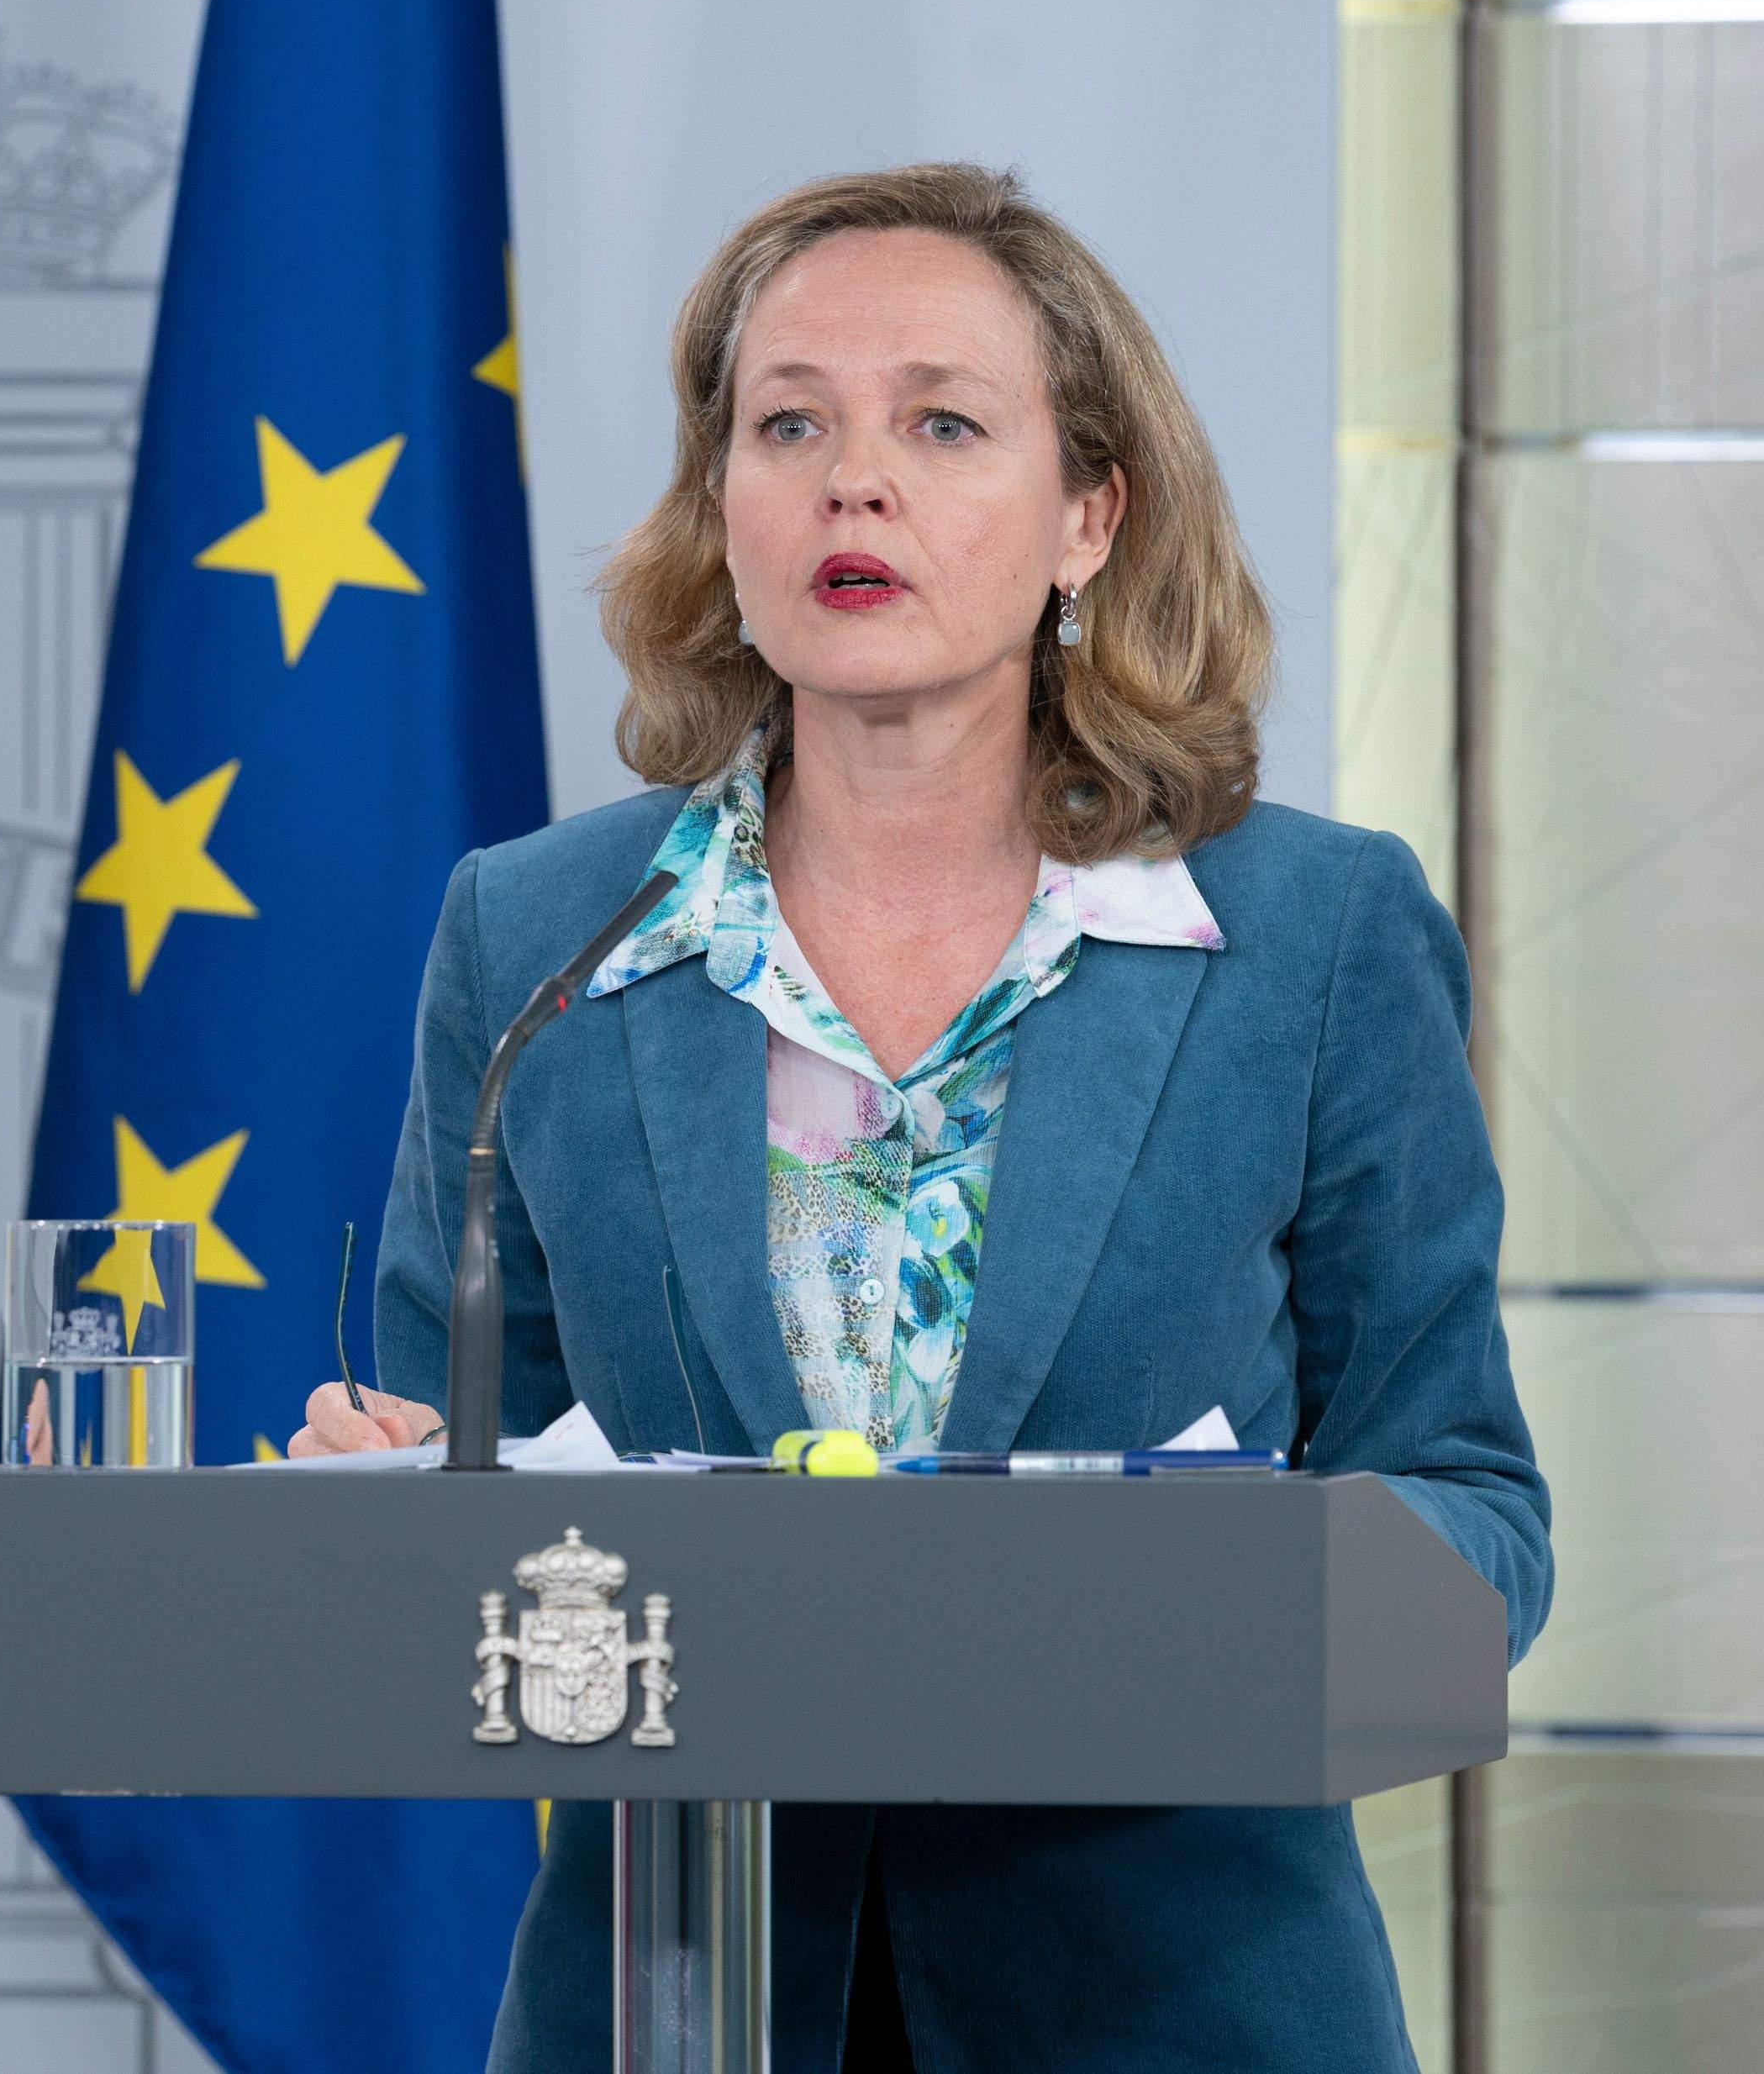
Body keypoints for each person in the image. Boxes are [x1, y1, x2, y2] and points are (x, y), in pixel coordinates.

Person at [291, 163, 1548, 2072]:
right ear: (723, 506)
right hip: (674, 2004)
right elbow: (465, 1469)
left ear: (1087, 514)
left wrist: (1234, 1617)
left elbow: (1473, 1507)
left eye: (941, 422)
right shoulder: (538, 932)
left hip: (1182, 2014)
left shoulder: (1312, 935)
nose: (851, 481)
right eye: (788, 422)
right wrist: (390, 1484)